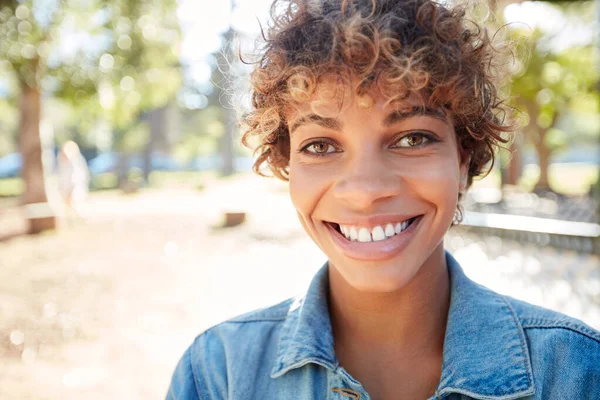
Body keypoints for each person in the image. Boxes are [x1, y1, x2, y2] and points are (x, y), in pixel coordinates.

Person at [167, 0, 600, 398]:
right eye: (320, 146)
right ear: (286, 165)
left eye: (412, 138)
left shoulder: (577, 372)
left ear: (463, 162)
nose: (365, 190)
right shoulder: (217, 375)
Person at [57, 140, 89, 218]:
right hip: (66, 185)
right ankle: (71, 216)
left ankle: (77, 216)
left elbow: (78, 175)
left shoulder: (75, 161)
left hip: (73, 185)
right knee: (68, 203)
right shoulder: (62, 162)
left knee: (74, 202)